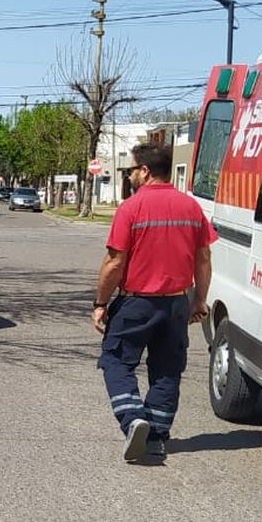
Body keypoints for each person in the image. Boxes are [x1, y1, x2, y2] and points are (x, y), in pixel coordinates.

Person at [92, 142, 217, 463]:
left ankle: (134, 418)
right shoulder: (191, 208)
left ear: (145, 171)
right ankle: (157, 438)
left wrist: (101, 302)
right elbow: (204, 258)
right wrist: (199, 300)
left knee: (116, 360)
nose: (130, 176)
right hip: (176, 304)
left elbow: (114, 262)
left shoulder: (132, 208)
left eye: (131, 170)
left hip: (137, 304)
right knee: (167, 371)